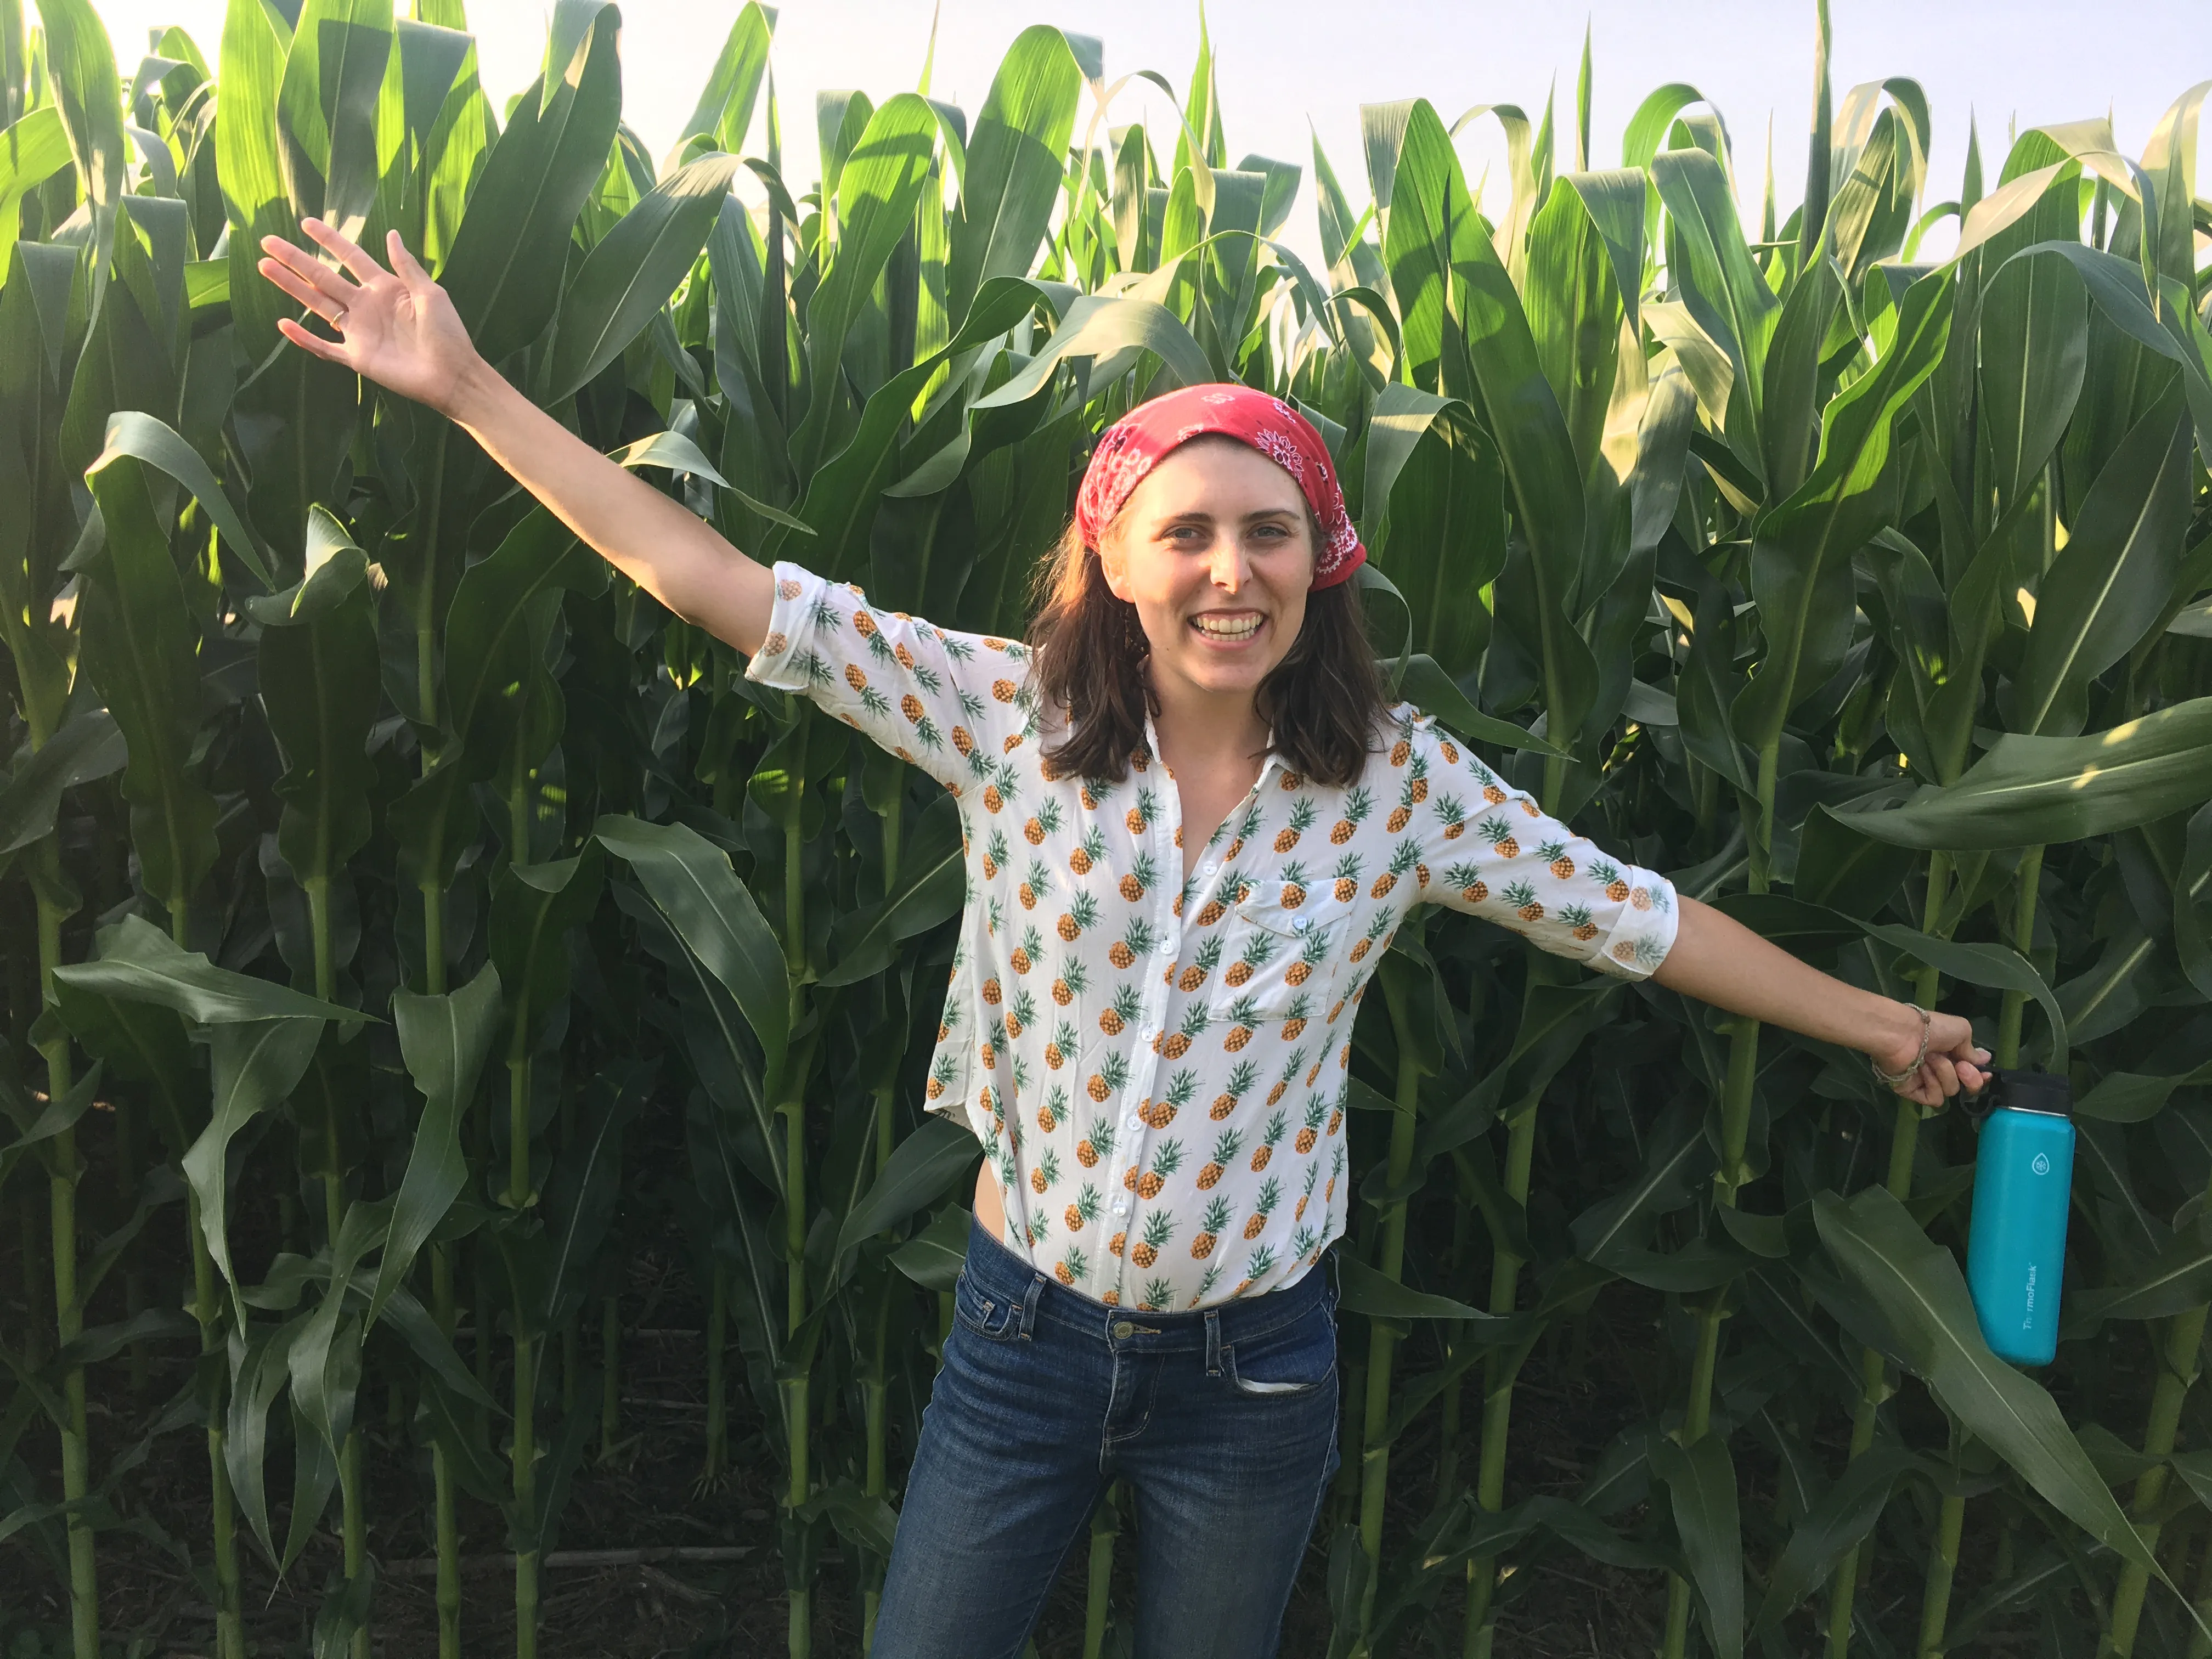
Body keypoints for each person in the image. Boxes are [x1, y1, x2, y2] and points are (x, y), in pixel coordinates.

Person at [258, 218, 1991, 1659]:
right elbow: (717, 585)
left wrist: (1877, 1024)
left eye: (1270, 535)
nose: (1230, 573)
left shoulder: (1402, 790)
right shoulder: (1006, 719)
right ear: (1114, 558)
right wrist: (468, 387)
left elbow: (1642, 922)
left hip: (1256, 1368)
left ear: (1325, 563)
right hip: (1023, 1338)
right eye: (1189, 535)